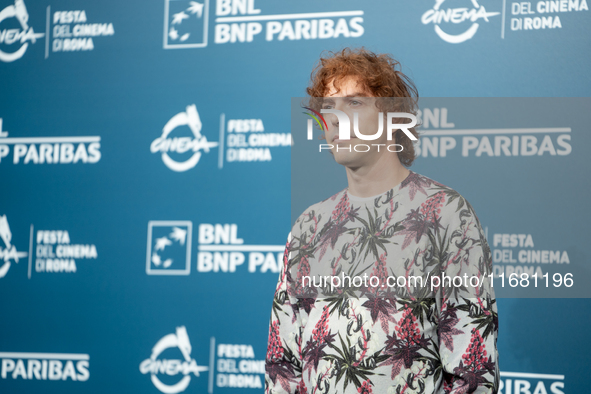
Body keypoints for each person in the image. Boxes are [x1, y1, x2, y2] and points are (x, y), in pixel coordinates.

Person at [265, 48, 498, 394]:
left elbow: (473, 375)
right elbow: (282, 367)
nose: (336, 119)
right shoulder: (308, 226)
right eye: (328, 108)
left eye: (355, 103)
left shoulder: (446, 214)